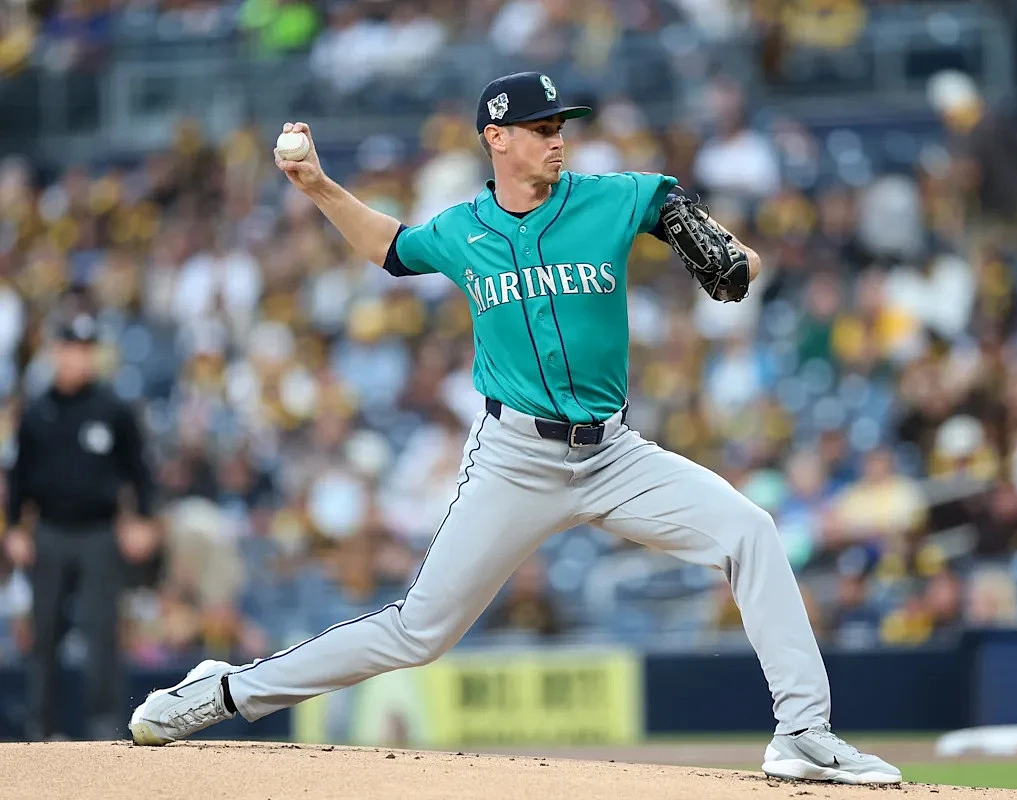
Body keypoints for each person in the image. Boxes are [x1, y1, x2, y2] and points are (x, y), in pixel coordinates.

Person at [128, 72, 901, 785]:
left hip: (614, 454)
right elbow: (389, 248)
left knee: (751, 531)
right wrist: (319, 186)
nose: (557, 139)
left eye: (560, 126)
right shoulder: (463, 229)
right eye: (540, 128)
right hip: (514, 460)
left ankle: (804, 732)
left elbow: (740, 259)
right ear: (496, 138)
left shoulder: (619, 197)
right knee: (418, 631)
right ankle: (224, 690)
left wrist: (737, 261)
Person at [4, 309, 159, 740]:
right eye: (72, 348)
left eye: (87, 349)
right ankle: (41, 730)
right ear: (56, 352)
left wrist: (143, 520)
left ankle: (104, 728)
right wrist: (15, 527)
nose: (79, 358)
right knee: (44, 635)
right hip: (49, 532)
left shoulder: (113, 410)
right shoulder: (36, 412)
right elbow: (18, 476)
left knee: (103, 634)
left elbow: (140, 472)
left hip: (99, 533)